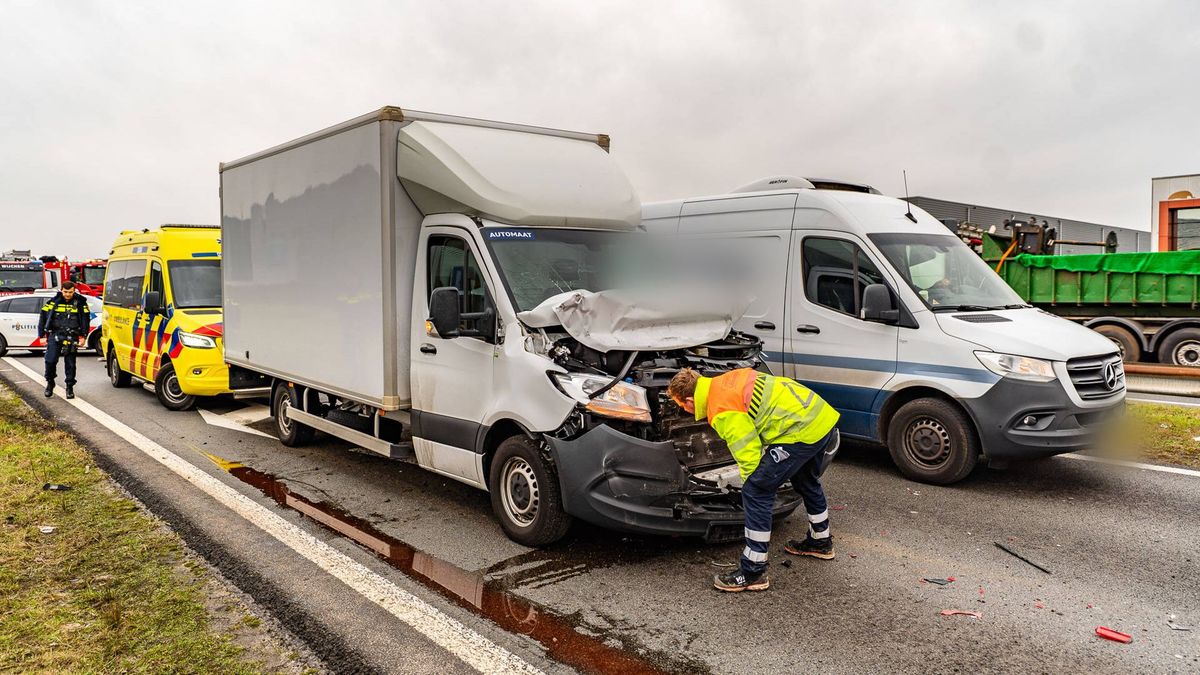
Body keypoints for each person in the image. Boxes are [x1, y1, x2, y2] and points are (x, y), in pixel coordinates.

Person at [668, 367, 841, 592]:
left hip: (800, 431)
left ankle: (753, 571)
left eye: (681, 406)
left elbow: (748, 453)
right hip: (819, 417)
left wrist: (753, 485)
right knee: (806, 481)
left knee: (756, 489)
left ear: (690, 400)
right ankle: (821, 541)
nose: (684, 410)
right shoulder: (725, 380)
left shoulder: (721, 408)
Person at [38, 281, 89, 399]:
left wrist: (83, 336)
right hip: (55, 335)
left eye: (70, 292)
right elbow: (43, 318)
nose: (67, 294)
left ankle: (69, 387)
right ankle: (50, 382)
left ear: (74, 291)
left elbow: (85, 320)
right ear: (61, 290)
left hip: (72, 336)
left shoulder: (81, 303)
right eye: (65, 292)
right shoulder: (52, 302)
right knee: (50, 361)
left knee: (70, 364)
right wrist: (41, 336)